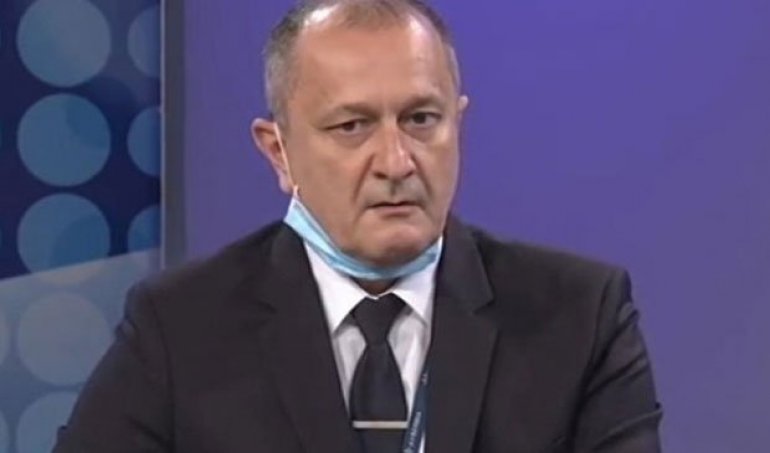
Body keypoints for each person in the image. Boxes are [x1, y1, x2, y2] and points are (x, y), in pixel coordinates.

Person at [54, 1, 662, 452]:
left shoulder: (580, 316)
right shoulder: (180, 327)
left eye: (421, 119)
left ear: (458, 123)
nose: (396, 162)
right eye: (352, 127)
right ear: (279, 151)